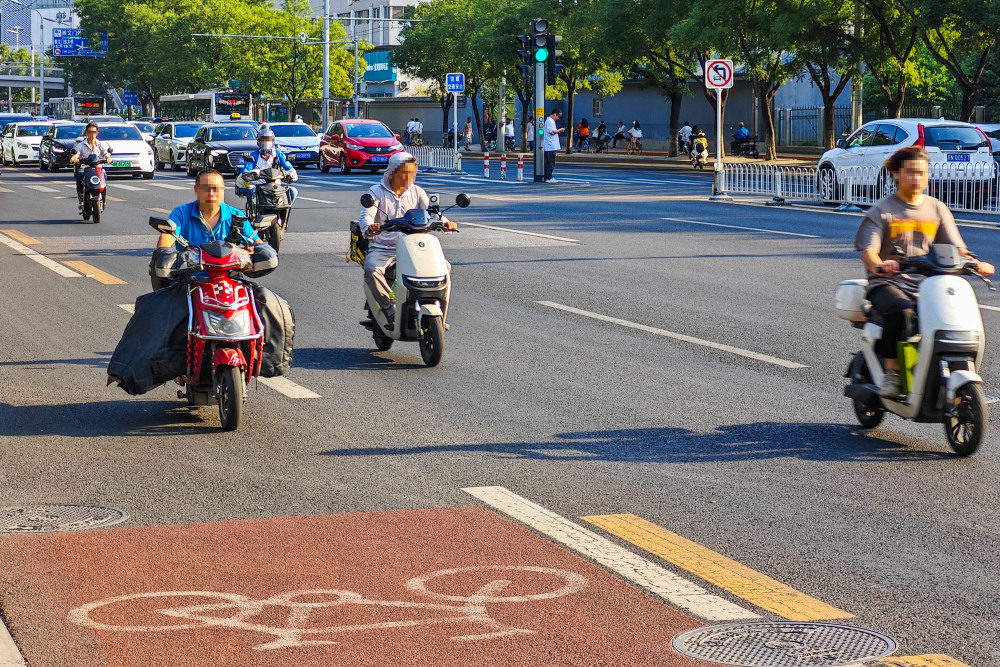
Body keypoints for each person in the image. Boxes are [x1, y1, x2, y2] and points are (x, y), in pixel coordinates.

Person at [854, 145, 994, 397]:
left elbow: (957, 247)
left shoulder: (937, 208)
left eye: (921, 172)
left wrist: (975, 263)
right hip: (888, 284)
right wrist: (879, 265)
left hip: (929, 286)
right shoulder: (883, 211)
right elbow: (869, 251)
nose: (917, 178)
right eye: (910, 172)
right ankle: (892, 373)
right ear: (897, 174)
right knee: (903, 313)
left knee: (958, 318)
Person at [359, 152, 456, 328]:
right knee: (372, 269)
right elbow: (367, 214)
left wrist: (446, 222)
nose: (409, 177)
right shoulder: (376, 192)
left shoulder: (417, 192)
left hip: (413, 247)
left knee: (445, 267)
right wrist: (370, 227)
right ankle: (390, 311)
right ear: (392, 172)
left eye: (412, 172)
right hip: (383, 247)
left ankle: (440, 312)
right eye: (404, 172)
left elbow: (433, 213)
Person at [235, 126, 298, 207]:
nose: (266, 143)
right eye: (263, 140)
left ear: (272, 141)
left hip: (276, 187)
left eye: (268, 140)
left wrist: (291, 175)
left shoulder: (279, 155)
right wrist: (253, 174)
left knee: (293, 191)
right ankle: (253, 213)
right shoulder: (253, 155)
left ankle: (284, 208)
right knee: (251, 190)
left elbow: (289, 168)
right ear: (258, 142)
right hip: (258, 187)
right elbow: (246, 170)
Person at [69, 122, 112, 213]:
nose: (92, 134)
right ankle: (81, 199)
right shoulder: (81, 145)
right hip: (85, 168)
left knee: (104, 175)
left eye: (94, 132)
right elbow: (76, 154)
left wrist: (108, 158)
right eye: (89, 132)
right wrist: (74, 158)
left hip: (98, 168)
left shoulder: (101, 144)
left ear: (97, 133)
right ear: (86, 133)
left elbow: (107, 154)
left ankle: (103, 199)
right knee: (80, 176)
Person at [543, 108, 566, 183]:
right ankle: (548, 177)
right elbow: (551, 132)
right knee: (550, 163)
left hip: (551, 145)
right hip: (550, 146)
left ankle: (549, 177)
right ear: (554, 114)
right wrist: (560, 130)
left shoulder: (550, 121)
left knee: (551, 162)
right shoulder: (550, 121)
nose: (558, 118)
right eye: (557, 116)